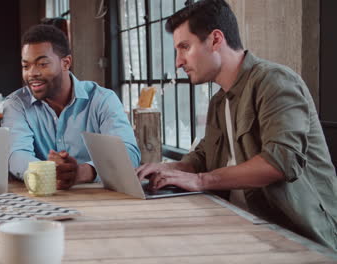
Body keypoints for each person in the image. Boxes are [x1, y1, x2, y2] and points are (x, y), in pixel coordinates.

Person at [137, 0, 336, 250]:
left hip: (298, 236)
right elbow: (203, 158)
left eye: (184, 47)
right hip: (241, 225)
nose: (178, 62)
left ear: (216, 40)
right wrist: (163, 169)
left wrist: (200, 180)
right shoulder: (219, 101)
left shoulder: (275, 81)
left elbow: (281, 162)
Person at [2, 24, 140, 190]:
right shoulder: (16, 104)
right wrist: (50, 172)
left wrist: (83, 172)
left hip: (99, 199)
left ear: (66, 63)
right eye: (26, 66)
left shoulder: (102, 100)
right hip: (40, 197)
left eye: (42, 64)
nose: (32, 73)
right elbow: (15, 155)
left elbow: (128, 153)